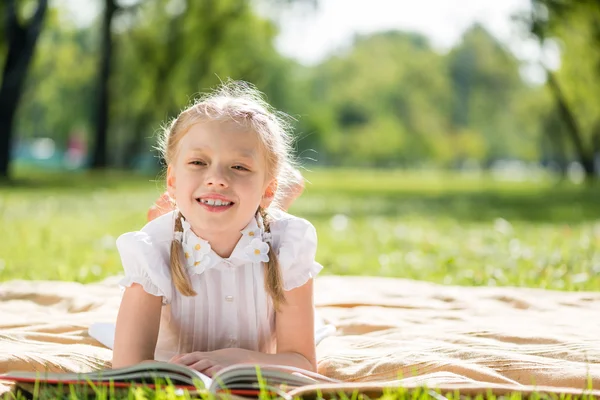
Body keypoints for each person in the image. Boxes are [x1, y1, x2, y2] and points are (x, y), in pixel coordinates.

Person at [110, 81, 324, 376]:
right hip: (170, 244)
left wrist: (236, 359)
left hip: (265, 222)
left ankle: (270, 202)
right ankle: (170, 212)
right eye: (198, 162)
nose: (216, 179)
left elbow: (302, 361)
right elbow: (127, 366)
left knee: (267, 225)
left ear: (268, 189)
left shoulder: (289, 245)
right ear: (171, 181)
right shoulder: (150, 251)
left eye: (239, 167)